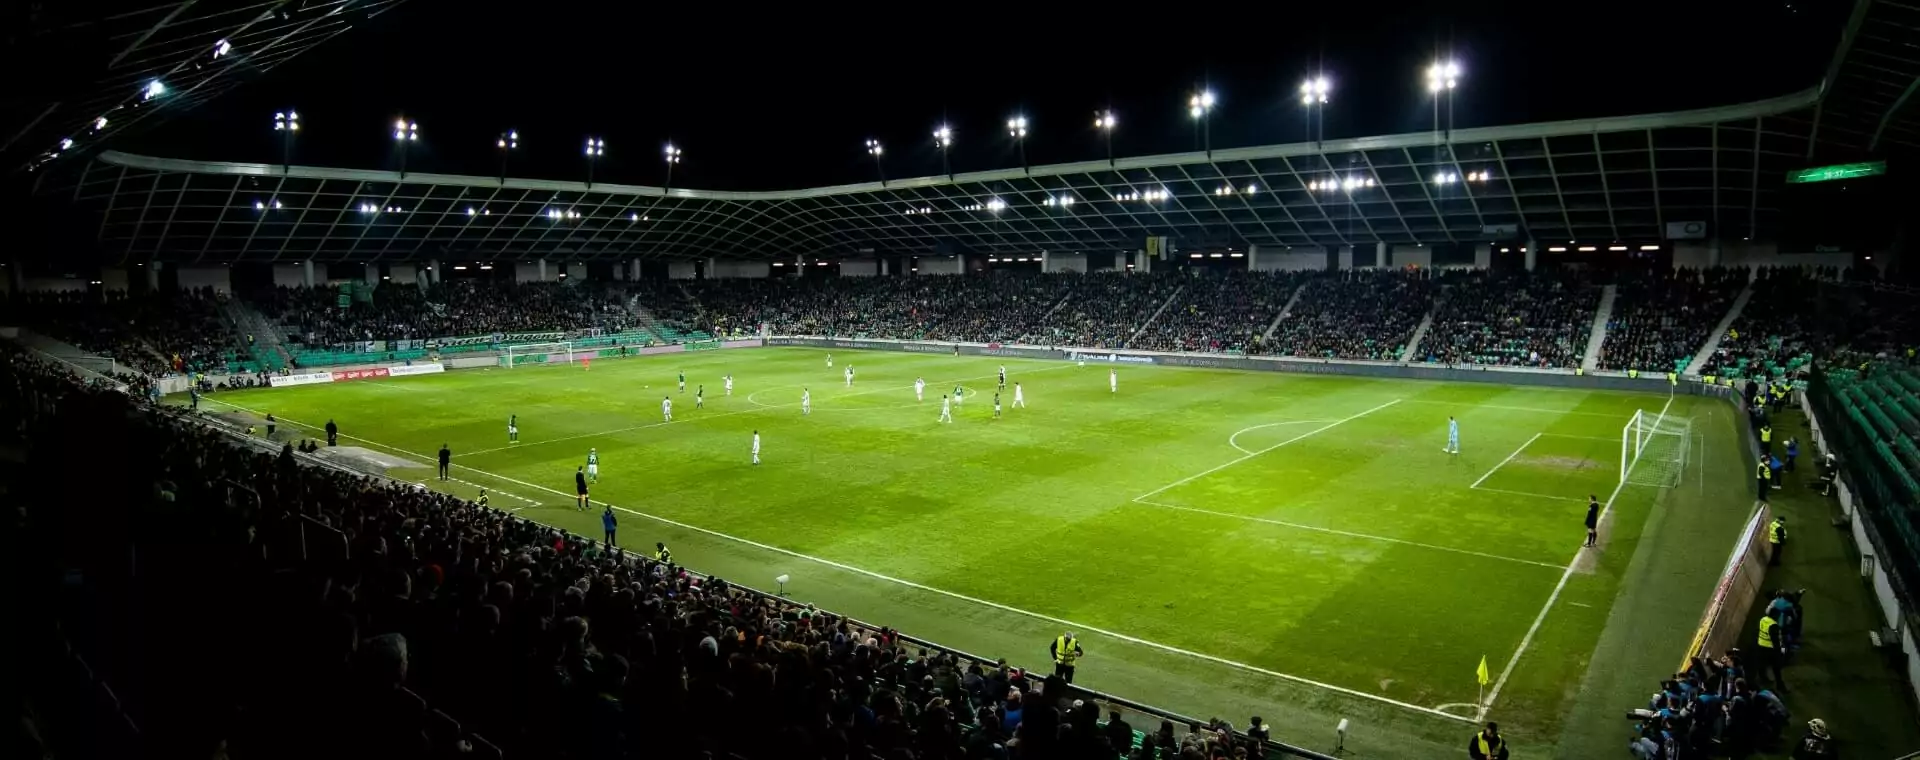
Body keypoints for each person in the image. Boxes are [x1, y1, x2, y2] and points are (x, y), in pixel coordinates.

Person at [1757, 610, 1787, 690]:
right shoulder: (1773, 625)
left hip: (1761, 645)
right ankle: (1780, 685)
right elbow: (1775, 641)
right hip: (1770, 648)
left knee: (1762, 665)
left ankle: (1763, 679)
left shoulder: (1763, 619)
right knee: (1776, 668)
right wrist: (1780, 651)